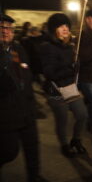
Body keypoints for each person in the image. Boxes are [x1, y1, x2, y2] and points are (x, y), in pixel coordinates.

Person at [0, 14, 47, 182]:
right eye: (1, 28)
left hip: (26, 109)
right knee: (8, 152)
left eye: (9, 28)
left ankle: (34, 177)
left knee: (32, 147)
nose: (5, 31)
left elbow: (28, 73)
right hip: (6, 113)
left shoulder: (18, 49)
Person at [40, 13, 88, 158]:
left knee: (82, 115)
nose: (65, 28)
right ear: (54, 29)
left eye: (66, 25)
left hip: (69, 87)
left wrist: (77, 64)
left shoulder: (70, 46)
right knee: (62, 119)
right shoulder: (47, 47)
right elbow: (49, 72)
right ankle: (64, 145)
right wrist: (70, 67)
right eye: (61, 26)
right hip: (55, 89)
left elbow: (74, 69)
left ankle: (76, 140)